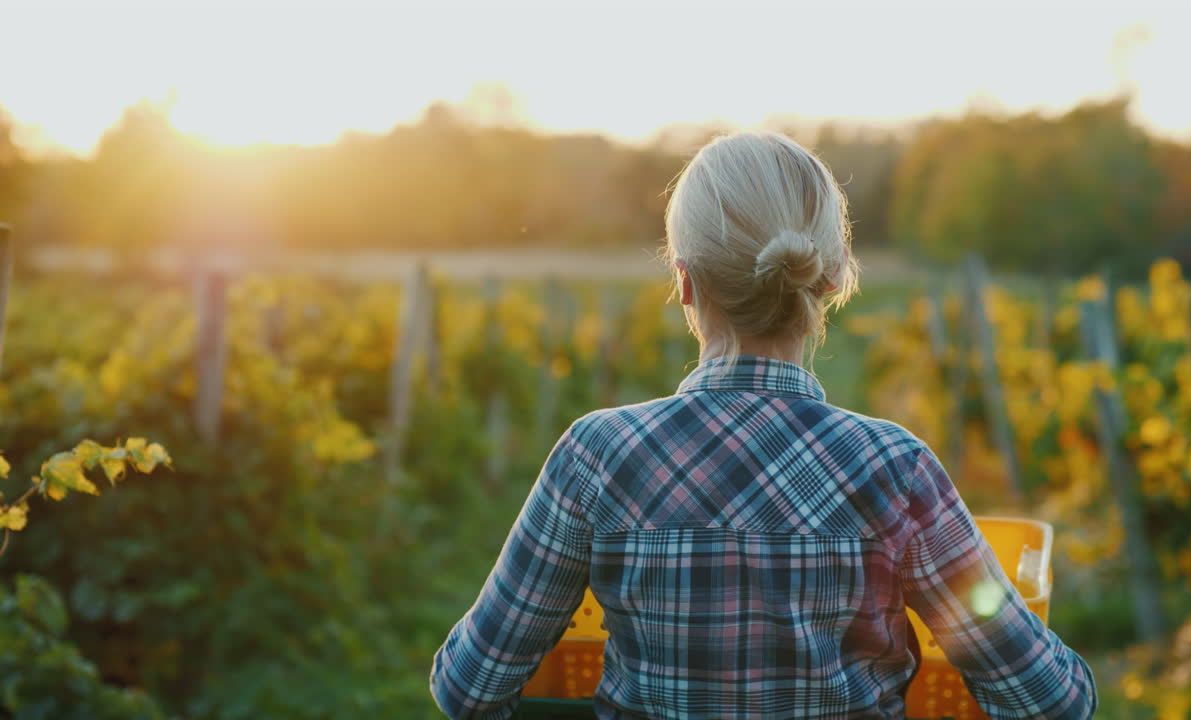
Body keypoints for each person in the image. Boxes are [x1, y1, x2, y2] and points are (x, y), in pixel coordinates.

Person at [431, 132, 1097, 719]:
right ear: (831, 279)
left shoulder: (595, 457)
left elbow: (470, 686)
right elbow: (1050, 699)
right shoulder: (897, 468)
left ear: (685, 283)